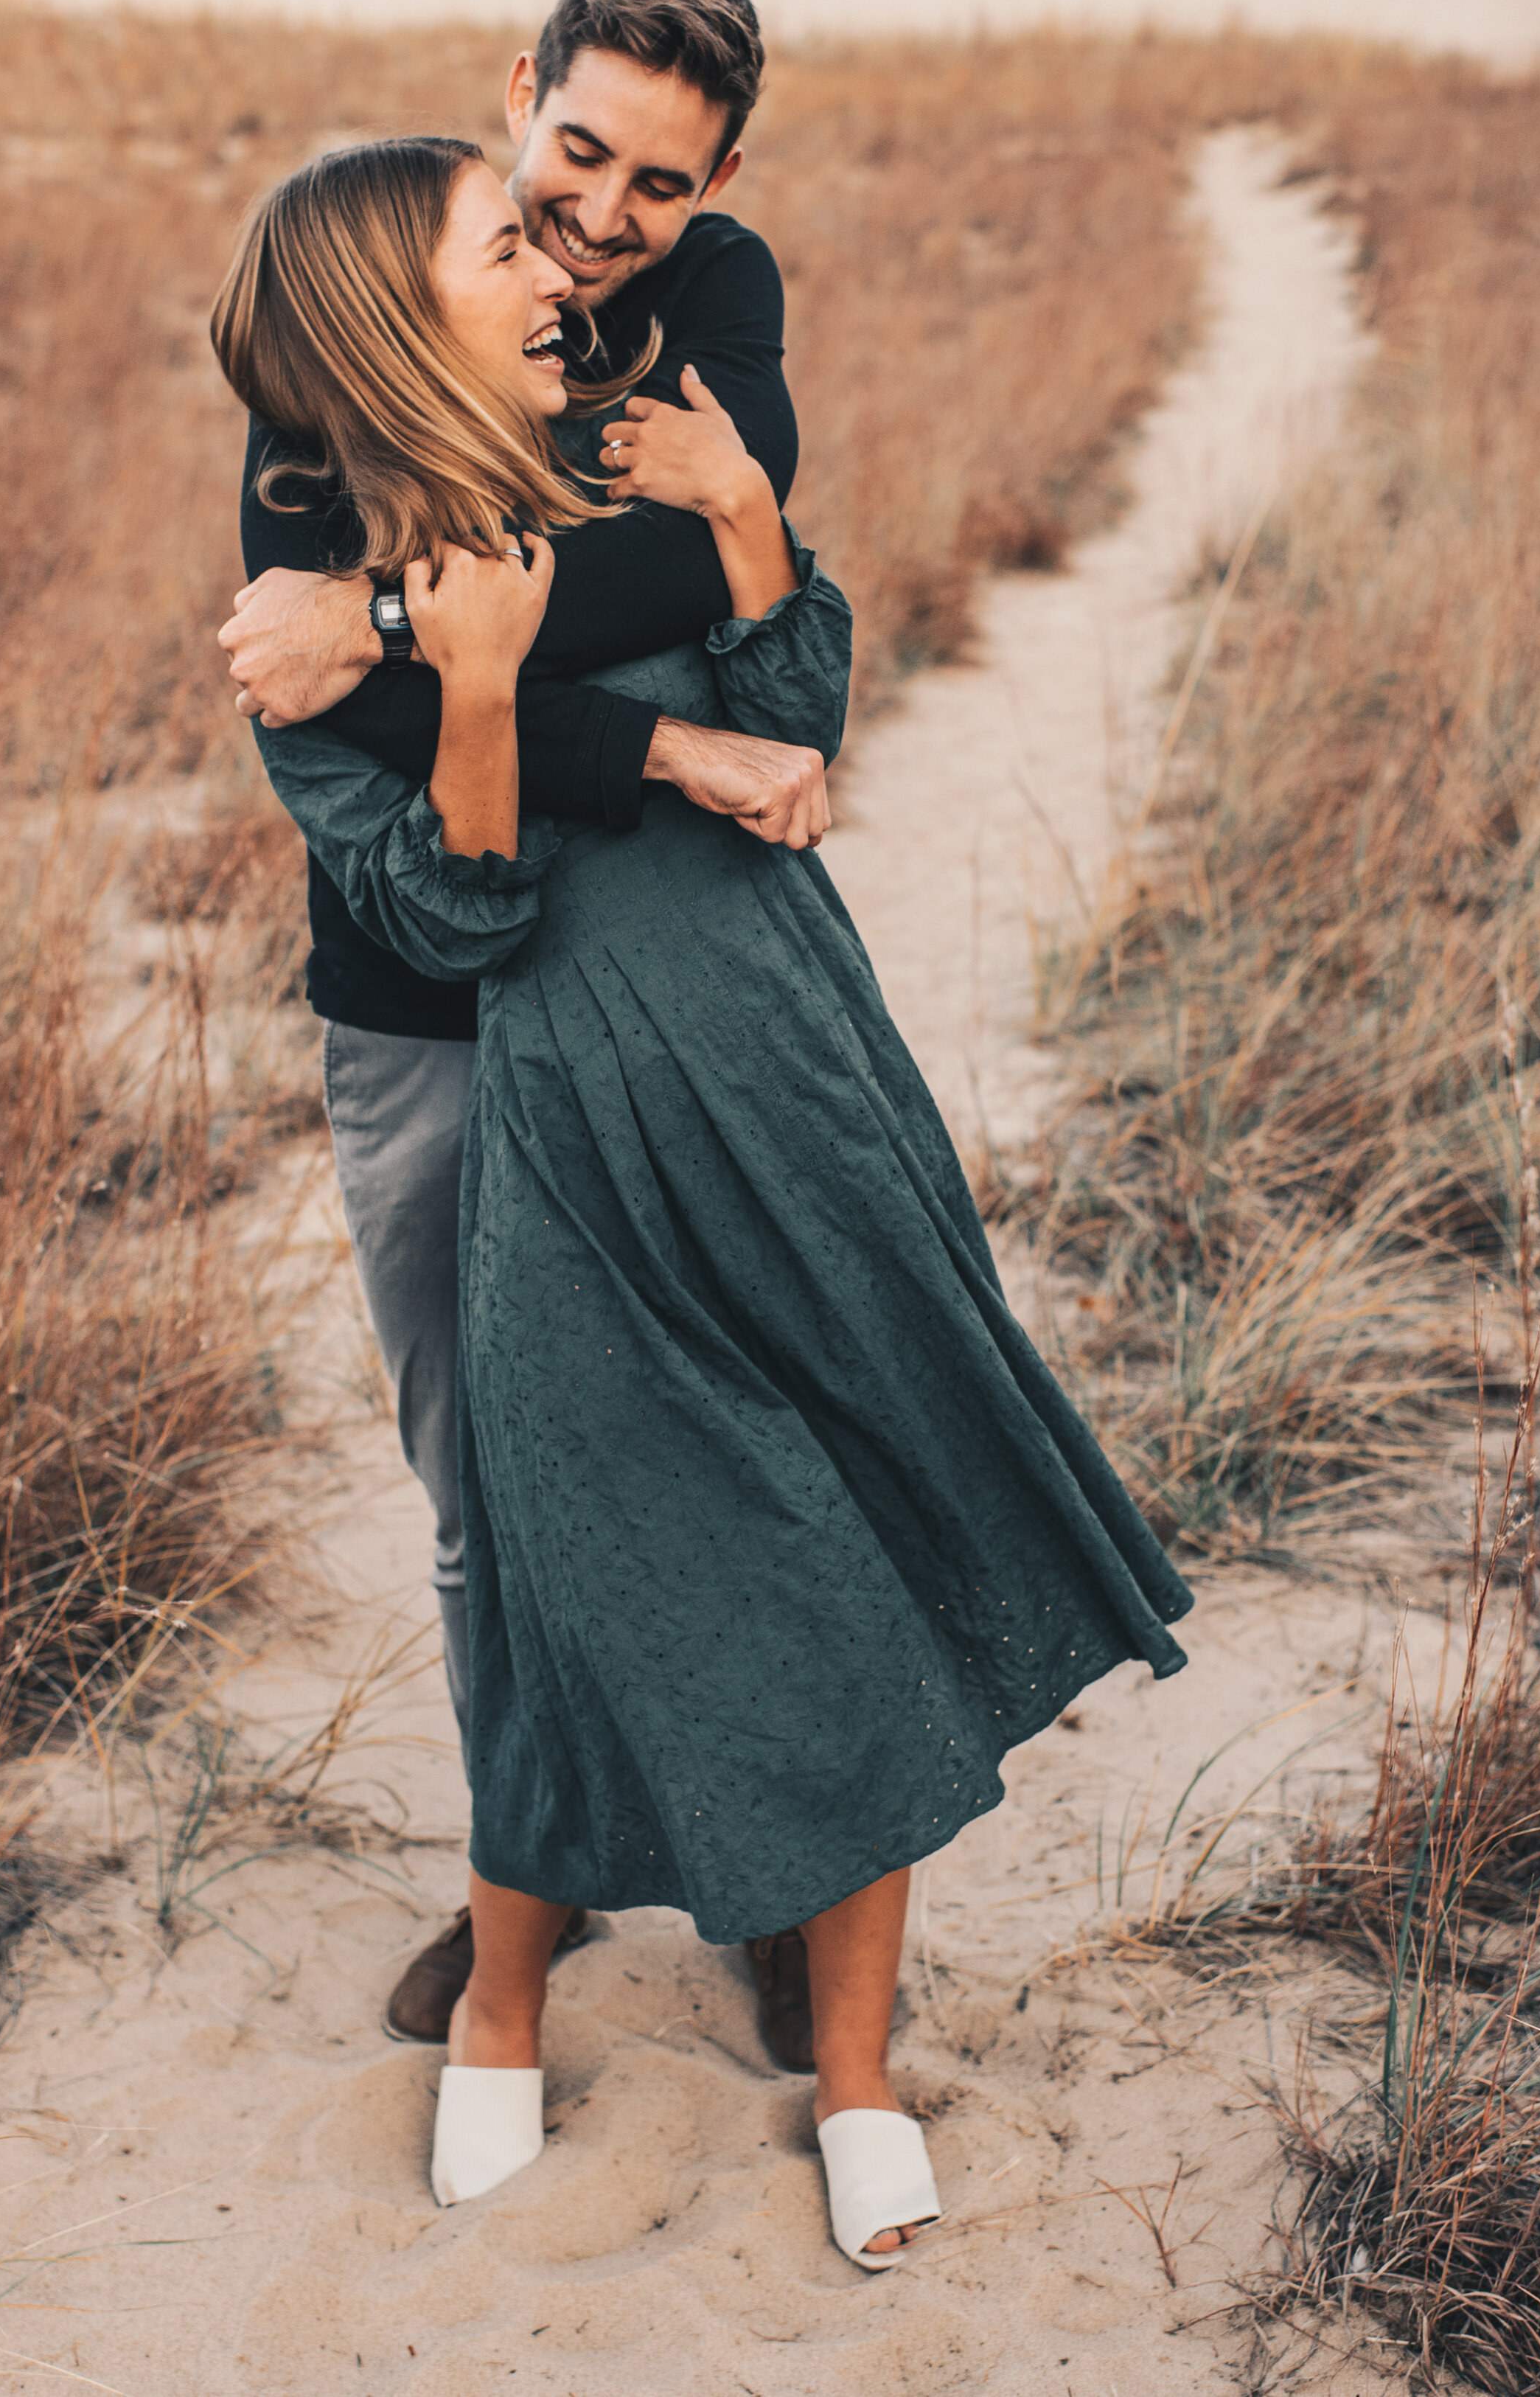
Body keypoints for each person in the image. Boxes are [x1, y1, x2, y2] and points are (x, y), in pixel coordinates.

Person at [210, 133, 1194, 2269]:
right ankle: (508, 1960)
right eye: (515, 224)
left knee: (859, 1484)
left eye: (616, 197)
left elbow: (783, 693)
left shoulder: (628, 466)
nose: (569, 248)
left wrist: (737, 519)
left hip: (772, 1051)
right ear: (404, 311)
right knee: (533, 1524)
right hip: (490, 1073)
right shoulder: (303, 570)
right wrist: (478, 681)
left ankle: (825, 2005)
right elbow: (455, 894)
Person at [218, 0, 829, 2067]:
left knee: (735, 1445)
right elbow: (360, 729)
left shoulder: (718, 297)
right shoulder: (362, 292)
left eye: (655, 185)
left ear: (716, 179)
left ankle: (771, 1859)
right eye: (569, 154)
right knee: (496, 1489)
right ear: (516, 92)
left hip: (660, 982)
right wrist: (632, 734)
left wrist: (395, 610)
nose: (595, 220)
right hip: (427, 1010)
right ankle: (532, 1855)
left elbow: (711, 577)